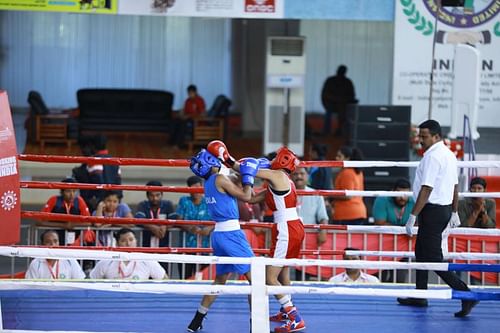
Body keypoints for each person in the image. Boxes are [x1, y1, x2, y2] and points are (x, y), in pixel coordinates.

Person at [208, 141, 306, 333]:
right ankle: (285, 310)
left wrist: (227, 159)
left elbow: (248, 169)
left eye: (274, 158)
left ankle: (295, 317)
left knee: (269, 277)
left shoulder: (278, 176)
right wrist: (241, 184)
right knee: (282, 273)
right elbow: (251, 198)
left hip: (287, 228)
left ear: (281, 161)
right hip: (290, 227)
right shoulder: (277, 182)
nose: (270, 160)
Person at [397, 119, 478, 317]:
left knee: (432, 259)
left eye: (424, 136)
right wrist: (454, 210)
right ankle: (420, 295)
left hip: (432, 210)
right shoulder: (448, 154)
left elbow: (427, 188)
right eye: (419, 136)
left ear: (436, 136)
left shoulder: (433, 157)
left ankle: (466, 293)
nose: (420, 140)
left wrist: (412, 215)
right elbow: (455, 185)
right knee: (421, 253)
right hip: (439, 210)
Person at [186, 149, 257, 332]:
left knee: (220, 280)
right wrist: (248, 177)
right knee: (257, 279)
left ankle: (196, 322)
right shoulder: (220, 179)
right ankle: (256, 325)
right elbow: (247, 196)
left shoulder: (209, 182)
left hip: (219, 235)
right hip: (231, 235)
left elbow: (239, 191)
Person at [292, 166, 329, 281]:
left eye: (302, 174)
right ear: (290, 177)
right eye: (295, 174)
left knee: (304, 273)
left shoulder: (316, 194)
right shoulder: (285, 193)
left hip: (308, 240)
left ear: (307, 176)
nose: (299, 176)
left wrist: (323, 230)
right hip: (289, 237)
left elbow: (323, 217)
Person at [90, 228, 167, 280]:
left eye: (131, 239)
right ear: (117, 244)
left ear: (136, 241)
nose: (128, 243)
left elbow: (165, 280)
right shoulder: (107, 261)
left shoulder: (146, 260)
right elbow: (90, 282)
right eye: (123, 241)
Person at [72, 134, 122, 212]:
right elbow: (118, 182)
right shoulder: (115, 161)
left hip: (97, 203)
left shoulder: (94, 161)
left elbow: (97, 182)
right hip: (113, 201)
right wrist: (117, 199)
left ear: (92, 146)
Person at [175, 175, 212, 279]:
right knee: (186, 277)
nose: (196, 191)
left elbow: (216, 219)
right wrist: (191, 228)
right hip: (187, 246)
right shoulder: (184, 201)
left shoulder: (208, 201)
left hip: (205, 248)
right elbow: (179, 219)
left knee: (204, 278)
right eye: (193, 188)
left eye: (198, 187)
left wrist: (209, 229)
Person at [40, 177, 91, 245]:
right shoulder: (54, 200)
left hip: (75, 241)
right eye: (68, 191)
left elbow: (89, 222)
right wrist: (63, 225)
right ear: (62, 192)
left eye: (74, 191)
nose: (72, 194)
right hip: (55, 241)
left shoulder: (79, 201)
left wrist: (72, 225)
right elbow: (39, 221)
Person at [331, 146, 367, 225]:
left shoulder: (347, 172)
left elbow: (348, 195)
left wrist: (329, 195)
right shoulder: (358, 172)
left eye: (339, 156)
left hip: (347, 214)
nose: (336, 158)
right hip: (358, 212)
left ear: (348, 158)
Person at [134, 180, 175, 248]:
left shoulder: (168, 204)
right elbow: (138, 219)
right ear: (147, 195)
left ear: (162, 194)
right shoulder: (143, 205)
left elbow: (174, 219)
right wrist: (152, 227)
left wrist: (165, 226)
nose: (155, 198)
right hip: (146, 245)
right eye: (151, 195)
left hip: (164, 245)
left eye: (157, 195)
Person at [321, 65, 357, 136]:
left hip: (343, 105)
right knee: (331, 111)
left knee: (343, 110)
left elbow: (352, 95)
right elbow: (325, 94)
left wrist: (343, 100)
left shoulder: (347, 82)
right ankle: (327, 130)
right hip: (331, 104)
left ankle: (340, 130)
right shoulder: (330, 80)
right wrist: (336, 99)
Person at [170, 84, 206, 149]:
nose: (189, 94)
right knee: (175, 121)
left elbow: (202, 114)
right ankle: (172, 142)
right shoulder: (188, 100)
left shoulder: (200, 100)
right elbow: (185, 110)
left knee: (183, 124)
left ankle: (179, 144)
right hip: (187, 118)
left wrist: (189, 116)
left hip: (195, 120)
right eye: (188, 93)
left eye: (191, 93)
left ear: (195, 92)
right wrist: (181, 113)